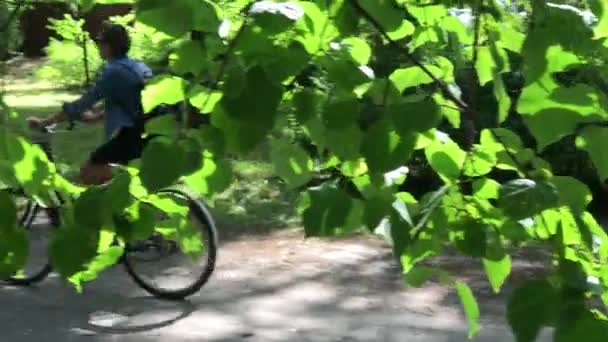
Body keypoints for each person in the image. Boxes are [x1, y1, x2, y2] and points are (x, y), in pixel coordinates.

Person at [28, 22, 152, 185]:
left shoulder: (113, 72)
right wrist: (94, 117)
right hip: (148, 133)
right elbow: (128, 102)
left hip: (128, 137)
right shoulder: (140, 66)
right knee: (114, 181)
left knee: (89, 172)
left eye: (99, 43)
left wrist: (44, 122)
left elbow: (81, 105)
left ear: (108, 46)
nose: (98, 47)